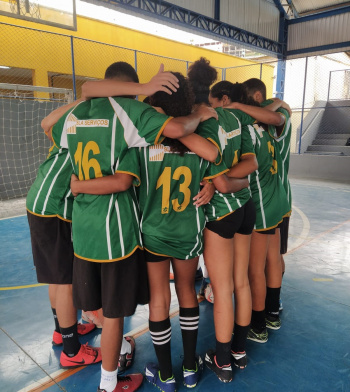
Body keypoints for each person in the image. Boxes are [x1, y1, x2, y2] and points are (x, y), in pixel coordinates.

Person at [71, 71, 249, 392]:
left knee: (158, 299)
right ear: (187, 102)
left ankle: (165, 375)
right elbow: (213, 157)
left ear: (153, 103)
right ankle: (191, 368)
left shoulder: (141, 143)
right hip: (188, 231)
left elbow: (126, 183)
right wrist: (207, 182)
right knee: (186, 292)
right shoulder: (199, 140)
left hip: (152, 232)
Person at [187, 58, 286, 383]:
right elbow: (251, 161)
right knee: (241, 282)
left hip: (220, 213)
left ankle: (223, 359)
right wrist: (231, 180)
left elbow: (199, 165)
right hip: (245, 208)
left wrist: (218, 182)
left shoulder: (194, 122)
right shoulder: (234, 117)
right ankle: (240, 351)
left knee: (223, 287)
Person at [221, 79, 290, 344]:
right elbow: (278, 110)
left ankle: (258, 324)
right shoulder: (266, 127)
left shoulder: (246, 128)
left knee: (254, 271)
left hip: (260, 204)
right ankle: (272, 313)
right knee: (272, 259)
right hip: (275, 200)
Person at [244, 78, 292, 312]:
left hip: (271, 194)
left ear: (257, 98)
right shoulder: (270, 117)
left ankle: (267, 309)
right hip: (278, 193)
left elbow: (270, 113)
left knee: (270, 258)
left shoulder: (275, 116)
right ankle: (273, 306)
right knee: (273, 253)